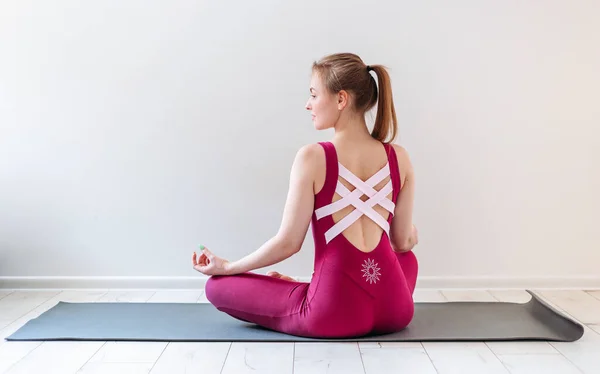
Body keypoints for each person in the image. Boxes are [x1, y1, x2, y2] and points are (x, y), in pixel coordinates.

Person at [192, 52, 419, 338]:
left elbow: (288, 243)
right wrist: (412, 232)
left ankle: (305, 291)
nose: (308, 104)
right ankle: (316, 291)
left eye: (313, 95)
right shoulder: (400, 157)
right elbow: (403, 241)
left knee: (216, 286)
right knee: (407, 260)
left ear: (341, 99)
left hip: (332, 313)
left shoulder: (313, 157)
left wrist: (228, 267)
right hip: (395, 311)